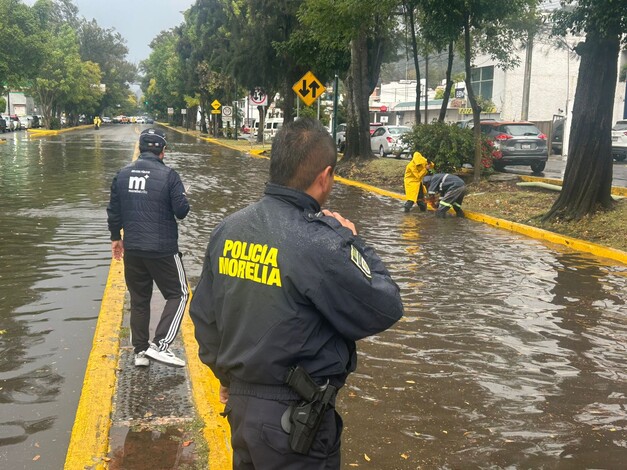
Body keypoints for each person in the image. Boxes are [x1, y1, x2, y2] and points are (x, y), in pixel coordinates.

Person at [189, 118, 404, 469]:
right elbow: (386, 305)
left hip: (242, 410)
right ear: (325, 175)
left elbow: (205, 317)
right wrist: (351, 240)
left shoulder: (228, 229)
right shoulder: (320, 241)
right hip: (295, 424)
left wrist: (227, 380)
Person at [107, 128, 190, 367]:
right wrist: (183, 196)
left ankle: (140, 352)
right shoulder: (169, 175)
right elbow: (181, 211)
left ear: (141, 148)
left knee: (139, 298)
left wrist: (116, 237)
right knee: (179, 293)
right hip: (163, 249)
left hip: (133, 248)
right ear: (163, 151)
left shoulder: (122, 175)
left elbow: (114, 210)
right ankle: (161, 345)